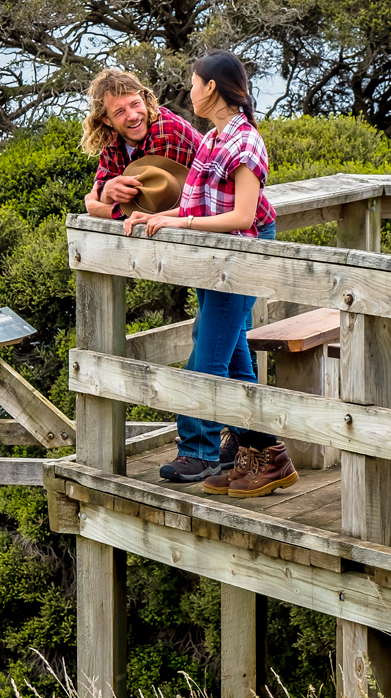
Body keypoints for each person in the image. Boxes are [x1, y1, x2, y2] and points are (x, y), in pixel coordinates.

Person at [122, 51, 298, 498]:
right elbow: (198, 202)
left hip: (242, 254)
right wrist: (151, 215)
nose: (191, 90)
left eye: (194, 83)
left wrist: (182, 223)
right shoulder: (212, 137)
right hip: (215, 256)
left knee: (208, 357)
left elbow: (242, 216)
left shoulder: (244, 142)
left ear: (212, 88)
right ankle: (265, 455)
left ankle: (203, 451)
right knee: (233, 351)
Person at [80, 69, 200, 220]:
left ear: (143, 98)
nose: (133, 116)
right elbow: (100, 190)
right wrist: (107, 190)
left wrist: (97, 209)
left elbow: (151, 208)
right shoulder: (112, 139)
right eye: (119, 112)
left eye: (135, 104)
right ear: (107, 120)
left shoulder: (165, 132)